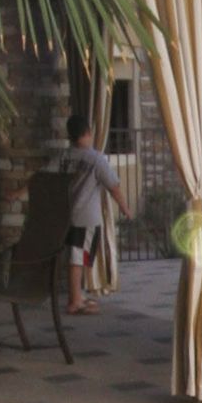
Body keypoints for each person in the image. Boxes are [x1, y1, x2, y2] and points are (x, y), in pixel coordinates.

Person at [63, 113, 126, 315]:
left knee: (76, 257)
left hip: (67, 216)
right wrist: (125, 208)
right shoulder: (96, 159)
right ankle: (75, 301)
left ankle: (77, 295)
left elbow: (42, 177)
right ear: (88, 132)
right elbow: (114, 186)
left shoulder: (64, 157)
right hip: (87, 218)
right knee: (78, 259)